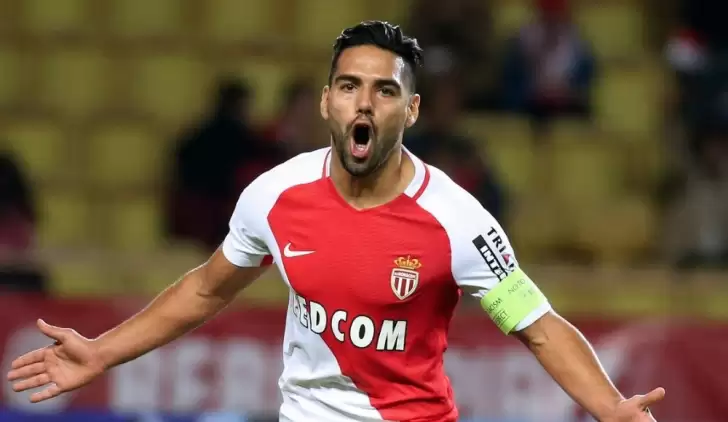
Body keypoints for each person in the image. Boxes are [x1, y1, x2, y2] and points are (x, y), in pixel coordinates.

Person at [7, 21, 664, 422]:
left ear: (411, 110)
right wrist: (102, 352)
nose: (364, 103)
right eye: (349, 85)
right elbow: (205, 289)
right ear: (327, 102)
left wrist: (610, 408)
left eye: (385, 90)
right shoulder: (275, 195)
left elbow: (539, 327)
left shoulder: (457, 221)